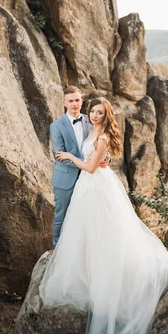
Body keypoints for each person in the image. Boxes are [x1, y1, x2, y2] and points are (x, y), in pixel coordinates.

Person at [40, 97, 168, 334]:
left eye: (100, 112)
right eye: (93, 111)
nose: (95, 115)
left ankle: (105, 269)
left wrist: (69, 157)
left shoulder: (102, 137)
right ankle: (86, 264)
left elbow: (90, 167)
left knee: (103, 229)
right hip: (86, 187)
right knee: (83, 230)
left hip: (96, 185)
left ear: (106, 116)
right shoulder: (89, 131)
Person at [49, 86, 109, 246]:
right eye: (71, 101)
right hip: (65, 177)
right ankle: (56, 249)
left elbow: (99, 143)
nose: (74, 104)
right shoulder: (56, 126)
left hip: (88, 179)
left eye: (77, 100)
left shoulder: (91, 120)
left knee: (83, 217)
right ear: (64, 103)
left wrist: (106, 157)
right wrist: (88, 163)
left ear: (81, 101)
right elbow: (60, 155)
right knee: (61, 216)